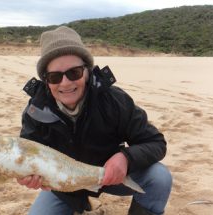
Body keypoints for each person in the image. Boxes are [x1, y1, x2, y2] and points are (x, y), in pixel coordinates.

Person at [18, 26, 172, 215]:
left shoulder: (114, 100)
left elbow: (156, 142)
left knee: (159, 176)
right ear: (46, 80)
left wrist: (126, 158)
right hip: (65, 186)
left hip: (110, 176)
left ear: (87, 71)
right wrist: (26, 175)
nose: (65, 83)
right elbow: (25, 157)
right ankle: (79, 204)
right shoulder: (35, 111)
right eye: (55, 77)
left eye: (74, 73)